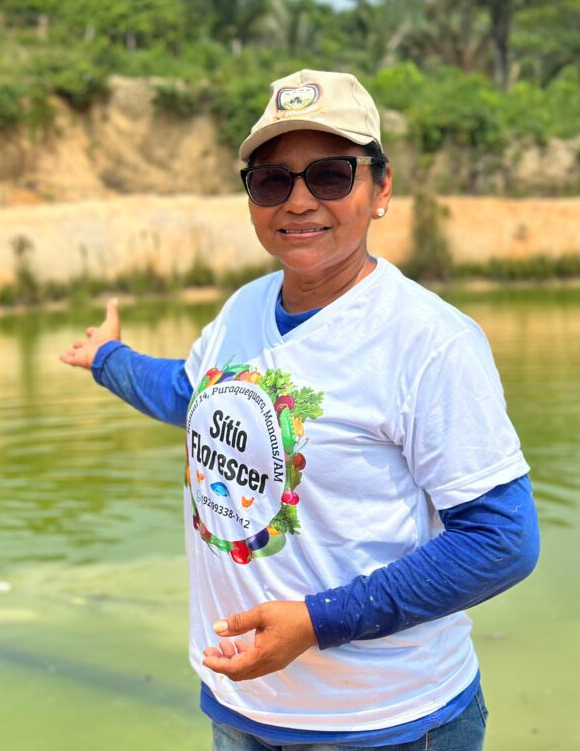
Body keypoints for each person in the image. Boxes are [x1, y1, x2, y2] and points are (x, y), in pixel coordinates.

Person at [60, 69, 539, 750]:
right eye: (272, 180)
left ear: (382, 188)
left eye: (331, 175)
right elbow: (191, 395)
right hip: (242, 710)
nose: (299, 200)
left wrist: (317, 622)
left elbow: (502, 540)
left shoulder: (429, 342)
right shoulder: (244, 309)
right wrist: (109, 360)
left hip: (388, 725)